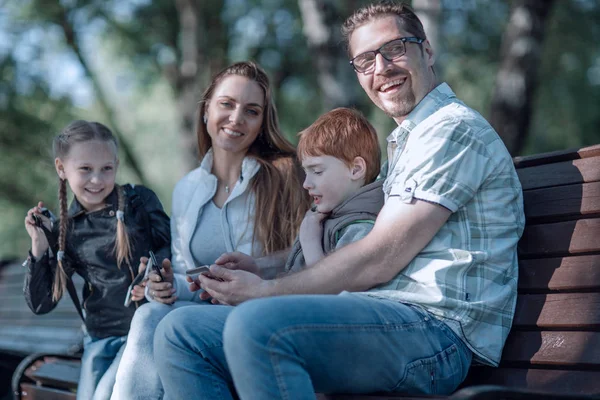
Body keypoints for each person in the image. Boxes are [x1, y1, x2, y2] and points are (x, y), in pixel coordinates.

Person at [153, 1, 525, 398]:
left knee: (257, 324)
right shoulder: (408, 143)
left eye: (395, 48)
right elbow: (362, 242)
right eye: (365, 60)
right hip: (386, 317)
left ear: (427, 51)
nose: (381, 68)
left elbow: (380, 254)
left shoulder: (451, 130)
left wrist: (264, 291)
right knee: (181, 332)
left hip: (437, 333)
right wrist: (261, 267)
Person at [110, 61, 310, 400]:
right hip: (198, 318)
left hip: (259, 317)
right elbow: (189, 278)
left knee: (166, 336)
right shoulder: (186, 188)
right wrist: (164, 286)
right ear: (206, 111)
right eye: (227, 104)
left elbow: (308, 256)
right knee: (150, 316)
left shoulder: (284, 176)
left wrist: (259, 272)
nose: (236, 119)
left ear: (262, 123)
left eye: (251, 111)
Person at [22, 120, 171, 400]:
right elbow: (42, 303)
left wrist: (154, 275)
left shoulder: (140, 202)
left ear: (116, 164)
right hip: (99, 339)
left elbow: (169, 251)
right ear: (61, 168)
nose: (97, 180)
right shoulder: (68, 229)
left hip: (145, 334)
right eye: (85, 169)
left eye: (106, 169)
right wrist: (39, 246)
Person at [285, 107, 383, 273]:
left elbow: (335, 288)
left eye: (317, 171)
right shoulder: (333, 217)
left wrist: (310, 243)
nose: (306, 184)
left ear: (356, 170)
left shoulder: (360, 229)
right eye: (306, 172)